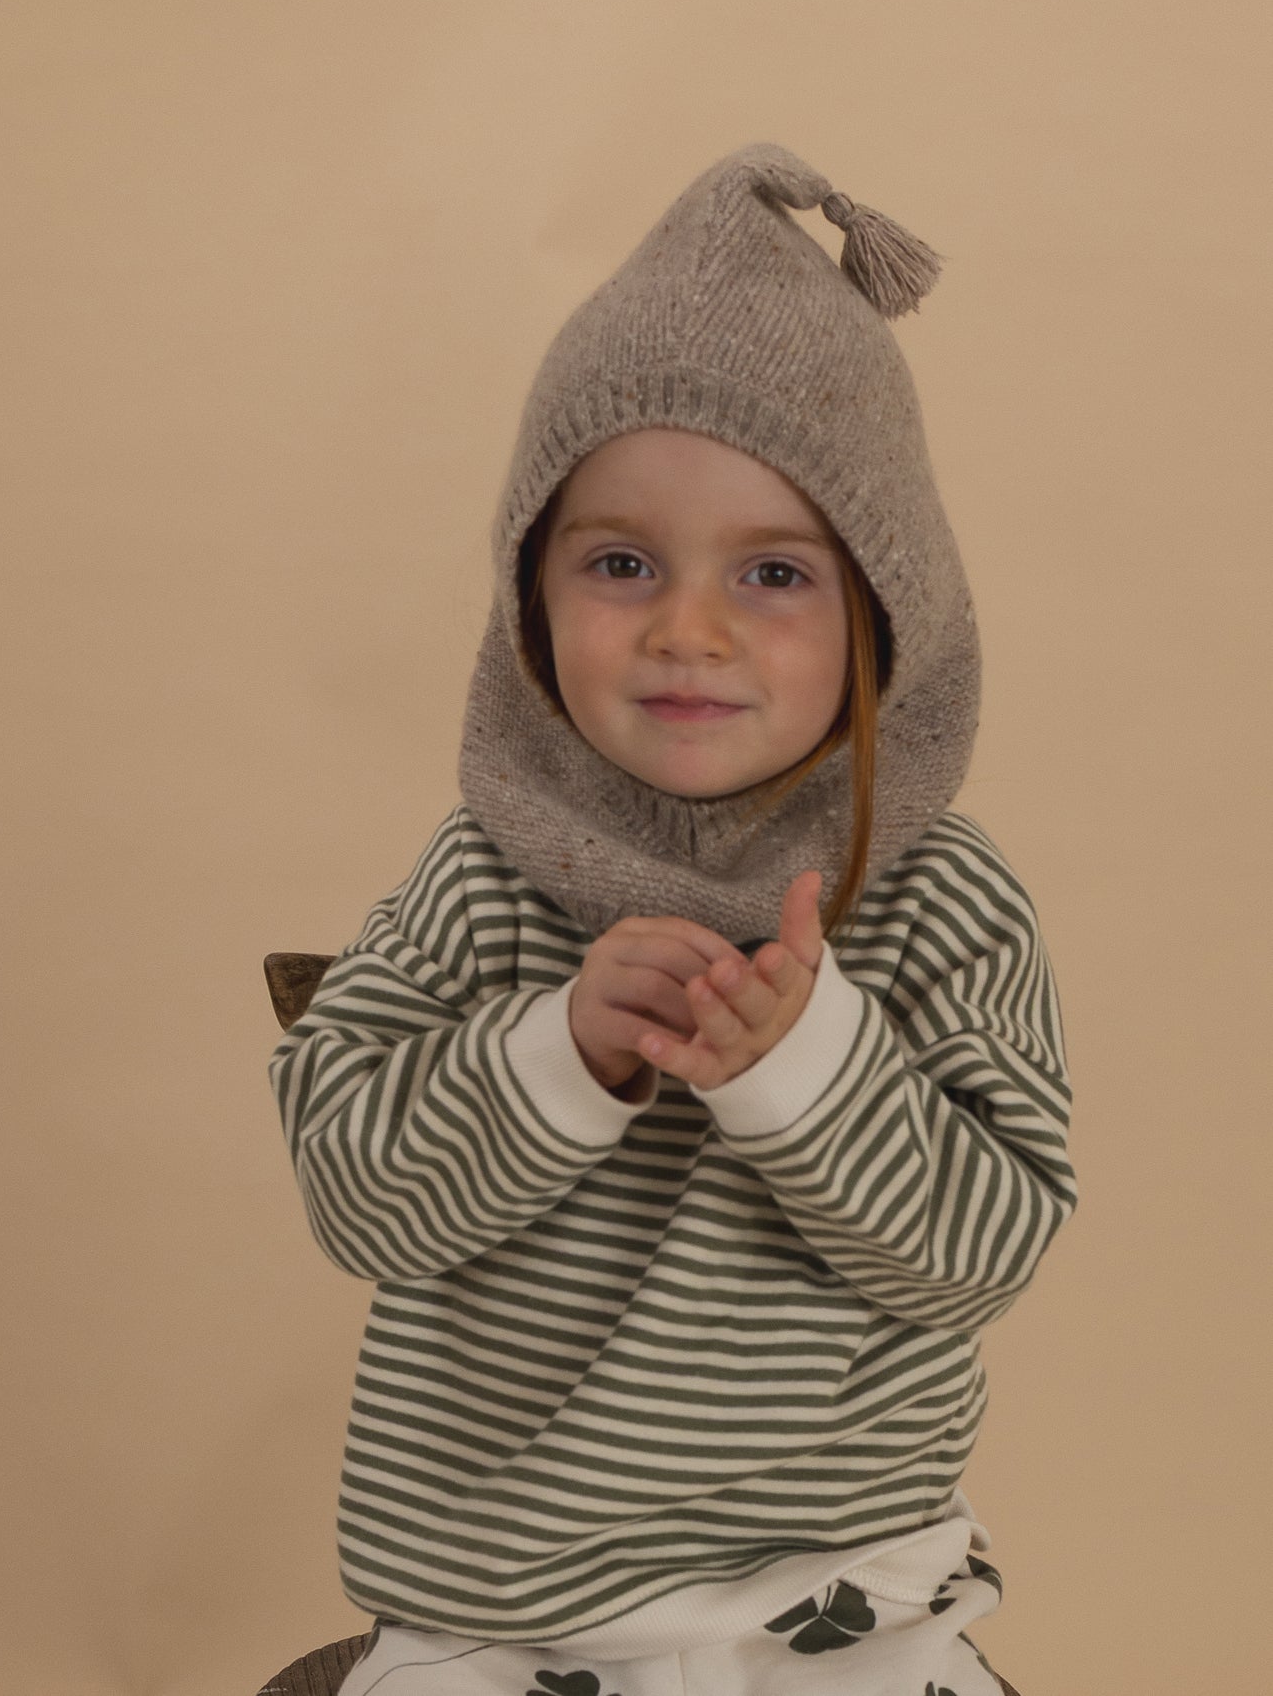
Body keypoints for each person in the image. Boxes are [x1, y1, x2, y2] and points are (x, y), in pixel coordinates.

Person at [269, 142, 1077, 1696]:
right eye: (620, 561)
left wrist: (807, 1065)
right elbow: (355, 1201)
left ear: (883, 617)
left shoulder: (938, 901)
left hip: (835, 1584)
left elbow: (981, 1253)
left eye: (771, 572)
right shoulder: (478, 878)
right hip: (500, 1593)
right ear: (531, 596)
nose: (684, 628)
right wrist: (554, 1052)